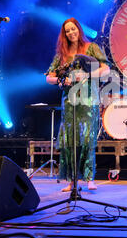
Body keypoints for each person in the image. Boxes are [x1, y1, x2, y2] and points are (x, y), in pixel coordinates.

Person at [46, 18, 110, 191]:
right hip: (69, 100)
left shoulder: (91, 47)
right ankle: (72, 180)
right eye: (67, 31)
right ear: (64, 34)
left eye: (73, 29)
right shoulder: (62, 54)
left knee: (88, 138)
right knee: (70, 140)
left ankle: (89, 178)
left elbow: (106, 69)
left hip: (88, 98)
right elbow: (49, 77)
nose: (71, 33)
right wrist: (61, 80)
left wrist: (88, 75)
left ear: (79, 29)